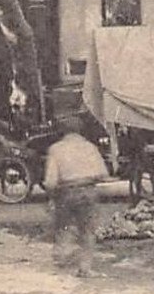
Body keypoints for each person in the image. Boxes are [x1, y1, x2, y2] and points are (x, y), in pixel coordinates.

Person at [44, 113, 107, 277]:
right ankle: (85, 268)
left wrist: (51, 198)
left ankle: (62, 257)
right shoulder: (90, 147)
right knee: (87, 231)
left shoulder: (55, 149)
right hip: (88, 191)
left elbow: (50, 181)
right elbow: (102, 173)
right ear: (81, 131)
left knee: (63, 227)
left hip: (65, 193)